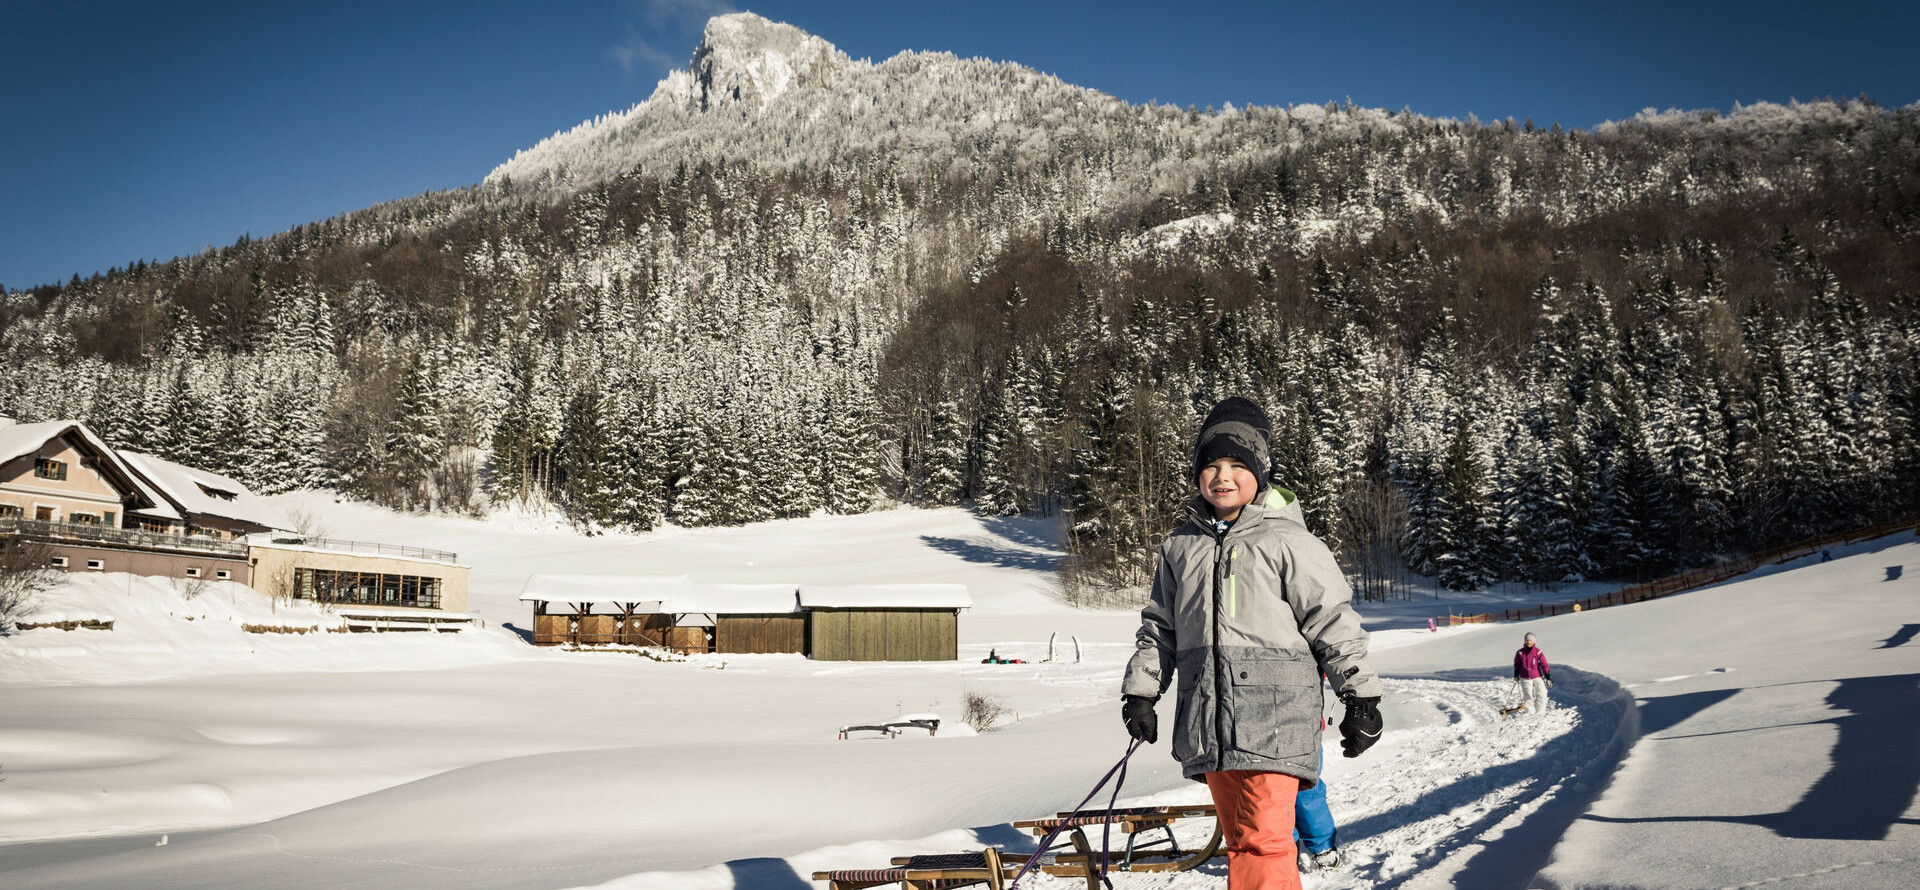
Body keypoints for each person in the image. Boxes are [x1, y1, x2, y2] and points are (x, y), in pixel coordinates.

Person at [1121, 397, 1383, 889]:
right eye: (1211, 465)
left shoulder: (1290, 541)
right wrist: (1141, 691)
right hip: (1209, 720)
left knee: (1264, 840)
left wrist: (1361, 695)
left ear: (1261, 472)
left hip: (1278, 717)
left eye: (1237, 465)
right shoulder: (1180, 546)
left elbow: (1332, 620)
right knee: (1241, 841)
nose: (1222, 476)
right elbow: (1160, 626)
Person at [1514, 632, 1551, 715]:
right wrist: (1516, 675)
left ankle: (1540, 711)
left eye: (1530, 640)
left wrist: (1547, 676)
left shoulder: (1538, 652)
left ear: (1534, 641)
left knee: (1541, 693)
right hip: (1525, 677)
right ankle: (1530, 712)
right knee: (1528, 695)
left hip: (1537, 676)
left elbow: (1544, 664)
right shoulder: (1520, 653)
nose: (1528, 642)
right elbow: (1517, 664)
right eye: (1527, 640)